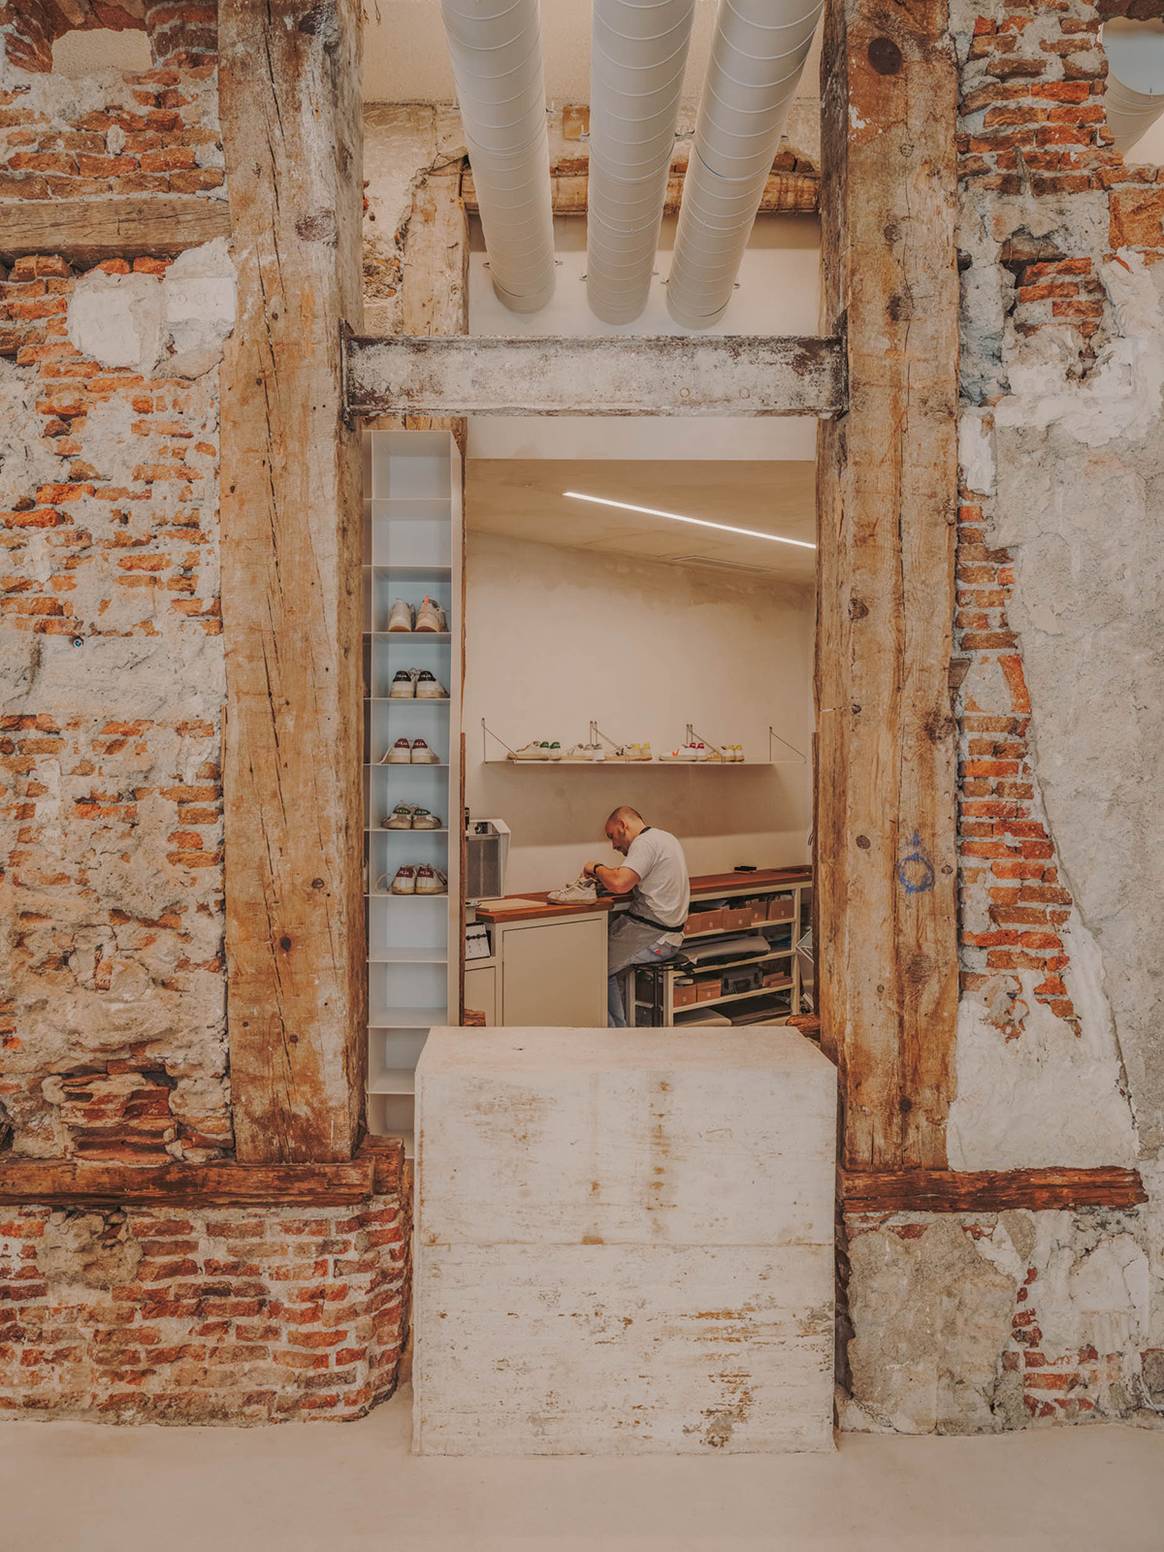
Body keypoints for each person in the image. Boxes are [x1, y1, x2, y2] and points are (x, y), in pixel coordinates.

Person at [583, 806, 690, 1028]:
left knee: (588, 966)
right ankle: (618, 1030)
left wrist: (596, 868)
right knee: (603, 965)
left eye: (612, 836)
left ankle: (615, 1035)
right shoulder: (666, 838)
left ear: (623, 825)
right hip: (669, 934)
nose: (613, 845)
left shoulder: (644, 843)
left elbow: (619, 883)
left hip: (654, 935)